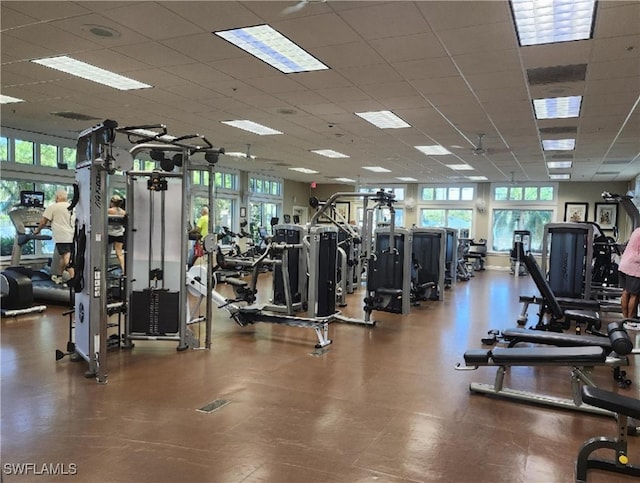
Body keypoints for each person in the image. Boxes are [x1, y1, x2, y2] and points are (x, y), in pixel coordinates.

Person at [33, 189, 75, 283]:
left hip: (62, 237)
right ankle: (59, 277)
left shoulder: (53, 207)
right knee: (63, 257)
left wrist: (37, 230)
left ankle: (74, 279)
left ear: (57, 198)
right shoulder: (72, 207)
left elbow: (43, 222)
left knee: (67, 259)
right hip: (72, 235)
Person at [618, 227, 640, 320]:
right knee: (634, 294)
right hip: (634, 267)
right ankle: (630, 320)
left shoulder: (637, 230)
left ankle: (625, 319)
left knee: (626, 291)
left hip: (624, 264)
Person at [108, 194, 126, 273]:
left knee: (106, 253)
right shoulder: (123, 212)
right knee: (119, 254)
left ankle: (104, 269)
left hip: (109, 234)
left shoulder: (109, 211)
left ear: (112, 202)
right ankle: (124, 270)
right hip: (119, 234)